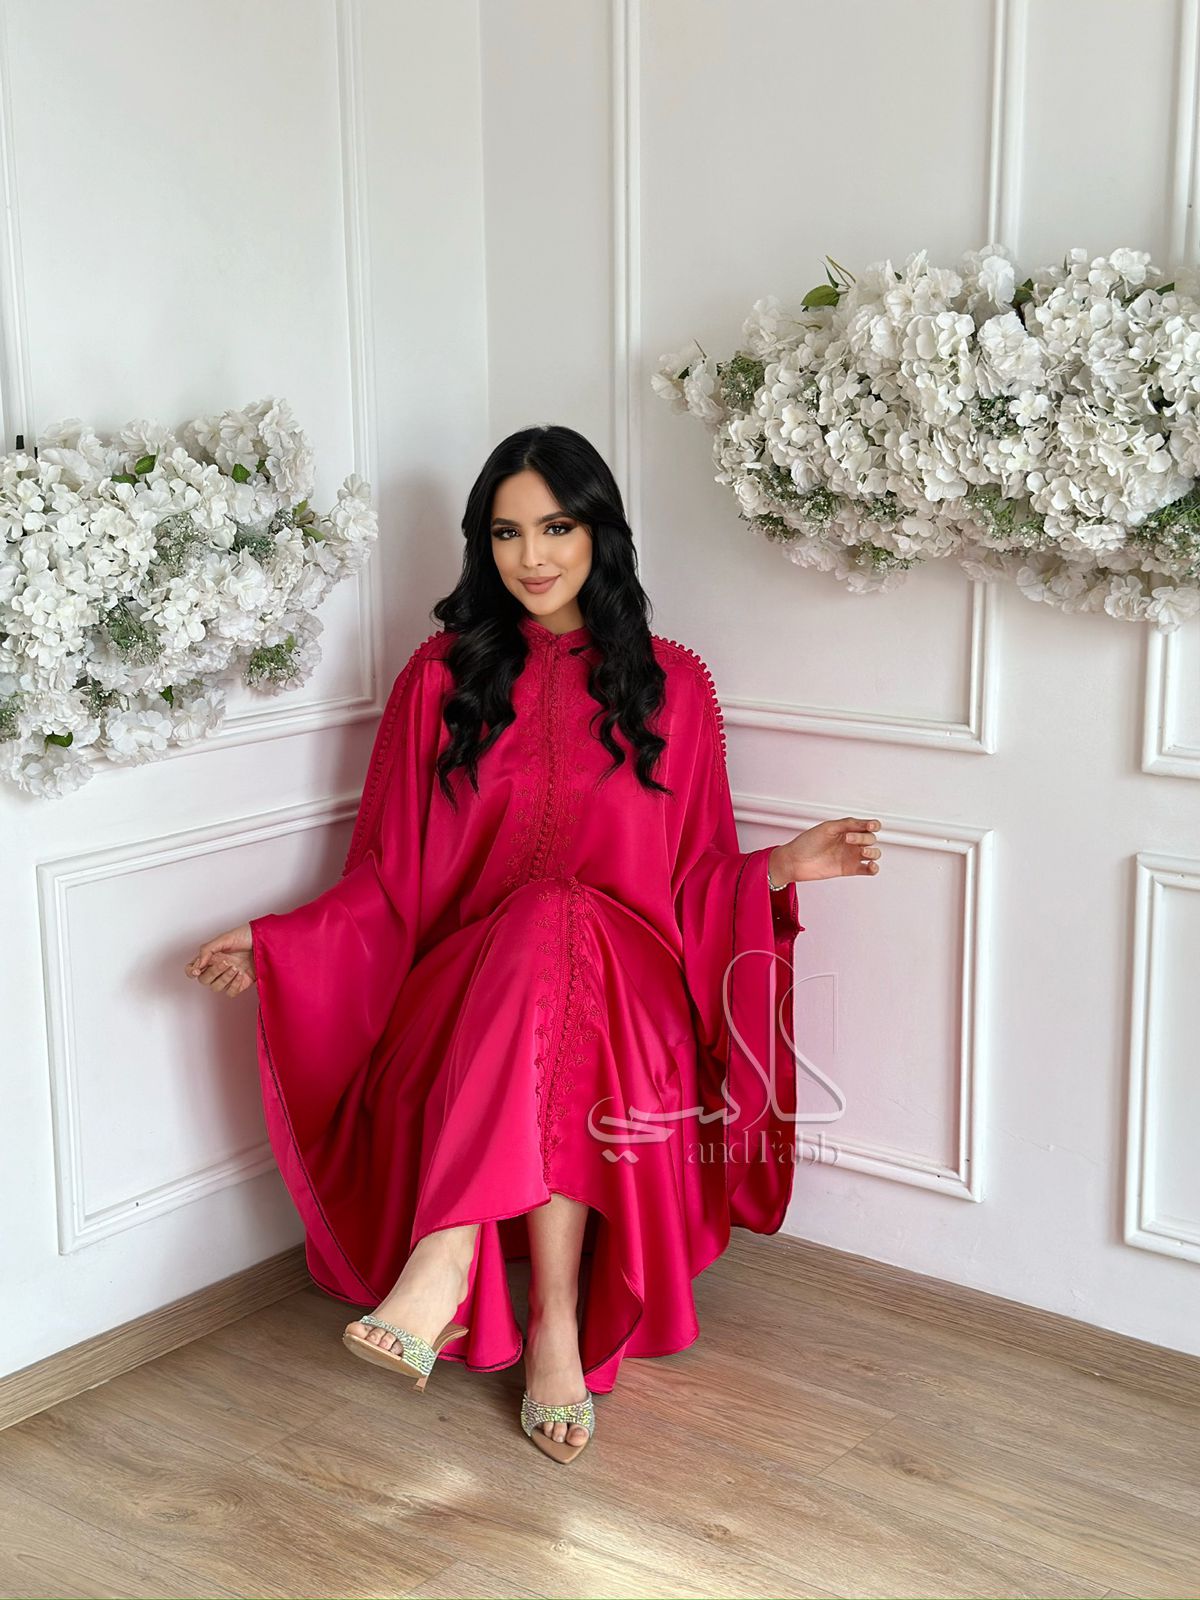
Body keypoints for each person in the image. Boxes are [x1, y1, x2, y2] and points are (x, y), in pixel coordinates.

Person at [184, 424, 881, 1464]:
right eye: (506, 533)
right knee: (542, 923)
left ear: (600, 532)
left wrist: (778, 869)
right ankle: (551, 1324)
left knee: (561, 916)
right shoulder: (440, 679)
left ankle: (449, 1258)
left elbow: (694, 876)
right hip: (469, 992)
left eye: (555, 527)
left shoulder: (673, 687)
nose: (532, 556)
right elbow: (387, 873)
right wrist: (279, 941)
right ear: (484, 545)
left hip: (630, 992)